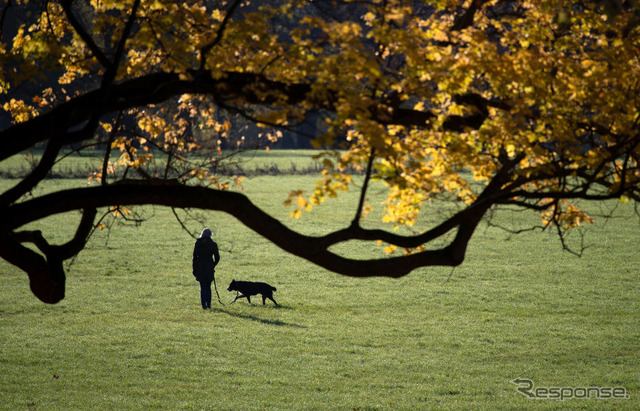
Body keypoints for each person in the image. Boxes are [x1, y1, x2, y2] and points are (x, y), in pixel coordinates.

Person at [192, 228, 220, 309]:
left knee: (203, 287)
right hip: (209, 267)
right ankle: (209, 304)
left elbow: (194, 257)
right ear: (210, 235)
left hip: (200, 267)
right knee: (208, 287)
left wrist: (194, 269)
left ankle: (204, 305)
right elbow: (217, 257)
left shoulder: (198, 243)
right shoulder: (213, 244)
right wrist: (213, 265)